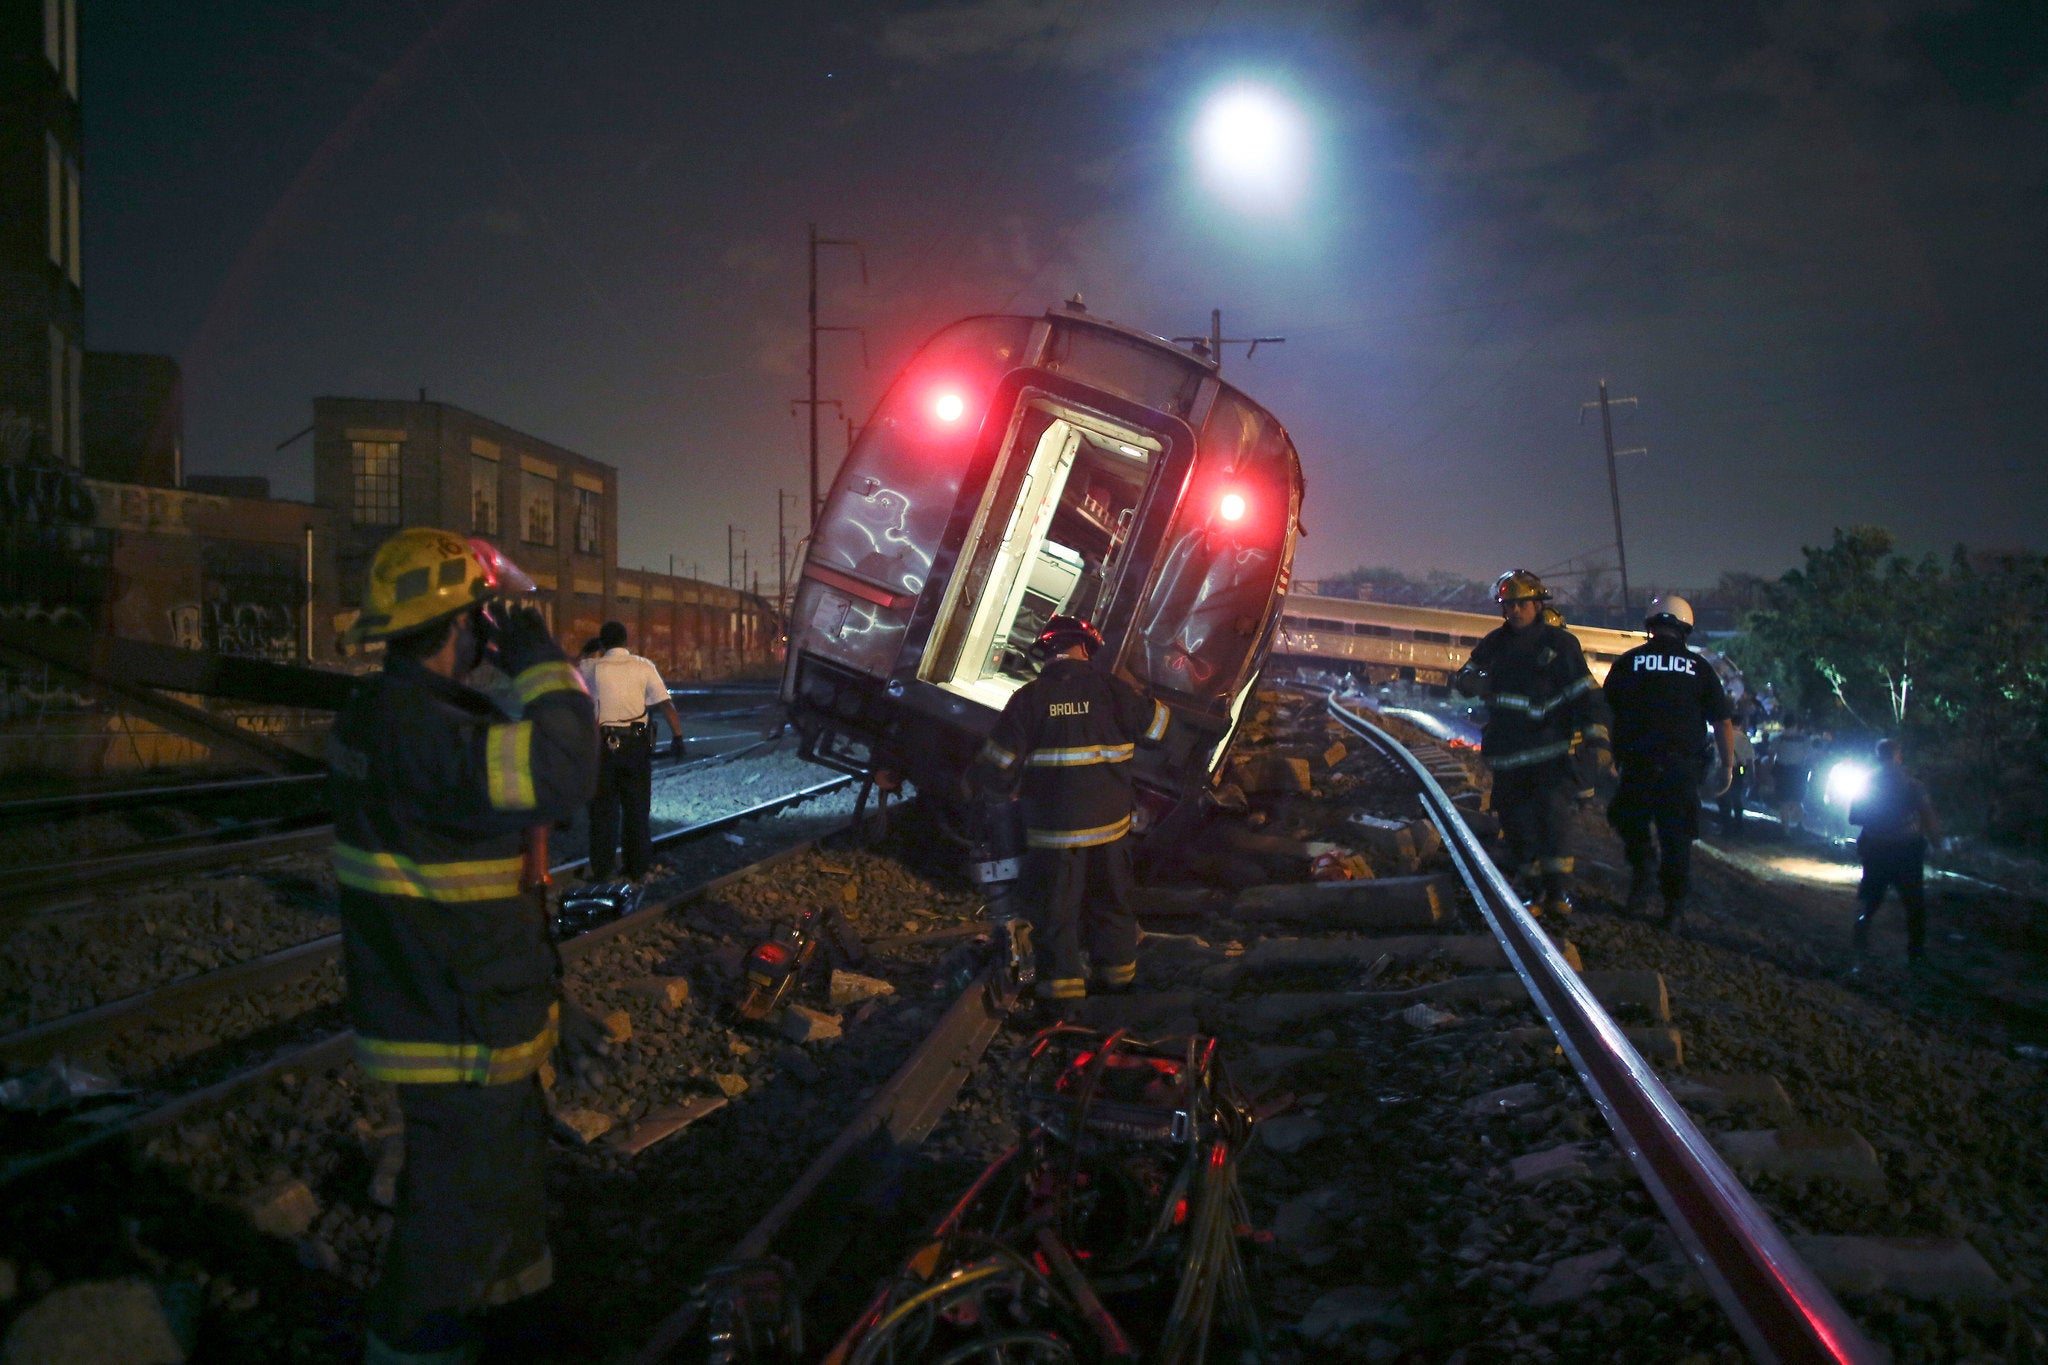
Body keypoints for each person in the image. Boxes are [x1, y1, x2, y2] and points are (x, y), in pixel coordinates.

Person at [329, 528, 600, 1365]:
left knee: (507, 1189)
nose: (491, 628)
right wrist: (538, 656)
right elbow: (564, 769)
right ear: (460, 626)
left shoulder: (400, 715)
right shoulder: (420, 732)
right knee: (450, 1218)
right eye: (484, 615)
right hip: (452, 1020)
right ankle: (408, 1349)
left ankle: (519, 1323)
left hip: (472, 1005)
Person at [973, 614, 1170, 1004]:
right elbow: (1158, 730)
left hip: (1053, 832)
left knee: (1054, 912)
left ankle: (1061, 997)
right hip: (1109, 828)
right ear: (1087, 647)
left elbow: (996, 765)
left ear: (1046, 651)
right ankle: (1117, 985)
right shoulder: (1112, 689)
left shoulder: (1028, 698)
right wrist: (1145, 695)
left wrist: (989, 797)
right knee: (1112, 903)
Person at [1454, 571, 1612, 917]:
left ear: (1537, 604)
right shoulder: (1494, 643)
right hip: (1508, 755)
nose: (1514, 611)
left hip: (1549, 752)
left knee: (1553, 824)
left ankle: (1558, 895)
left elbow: (1583, 693)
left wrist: (1597, 737)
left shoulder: (1559, 644)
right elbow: (1462, 676)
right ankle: (1534, 892)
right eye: (1508, 605)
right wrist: (1472, 683)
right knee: (1517, 826)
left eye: (1521, 604)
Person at [1602, 595, 1736, 928]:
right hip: (1680, 770)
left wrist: (1604, 753)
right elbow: (1722, 721)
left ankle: (1642, 879)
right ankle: (1673, 909)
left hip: (1636, 766)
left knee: (1628, 821)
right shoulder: (1700, 668)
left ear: (1650, 626)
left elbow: (1606, 711)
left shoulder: (1628, 662)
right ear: (1686, 629)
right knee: (1676, 840)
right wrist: (1727, 766)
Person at [578, 620, 687, 884]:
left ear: (603, 644)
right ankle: (636, 867)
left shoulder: (591, 668)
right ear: (626, 641)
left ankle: (603, 869)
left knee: (603, 811)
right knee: (637, 809)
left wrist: (589, 651)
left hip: (603, 748)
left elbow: (574, 668)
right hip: (636, 747)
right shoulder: (643, 666)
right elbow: (666, 704)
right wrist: (678, 736)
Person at [1849, 738, 1939, 967]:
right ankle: (1916, 952)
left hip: (1876, 847)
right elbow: (1927, 816)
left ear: (1878, 757)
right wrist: (1937, 842)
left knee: (1872, 898)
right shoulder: (1912, 784)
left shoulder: (1868, 782)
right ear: (1898, 756)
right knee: (1914, 903)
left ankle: (1861, 930)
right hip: (1906, 850)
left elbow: (1854, 817)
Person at [1718, 720, 1756, 836]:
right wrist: (1751, 775)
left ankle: (1726, 826)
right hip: (1739, 770)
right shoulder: (1744, 738)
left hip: (1724, 769)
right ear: (1739, 725)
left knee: (1724, 797)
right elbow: (1750, 759)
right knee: (1737, 796)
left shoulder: (1722, 736)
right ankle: (1739, 825)